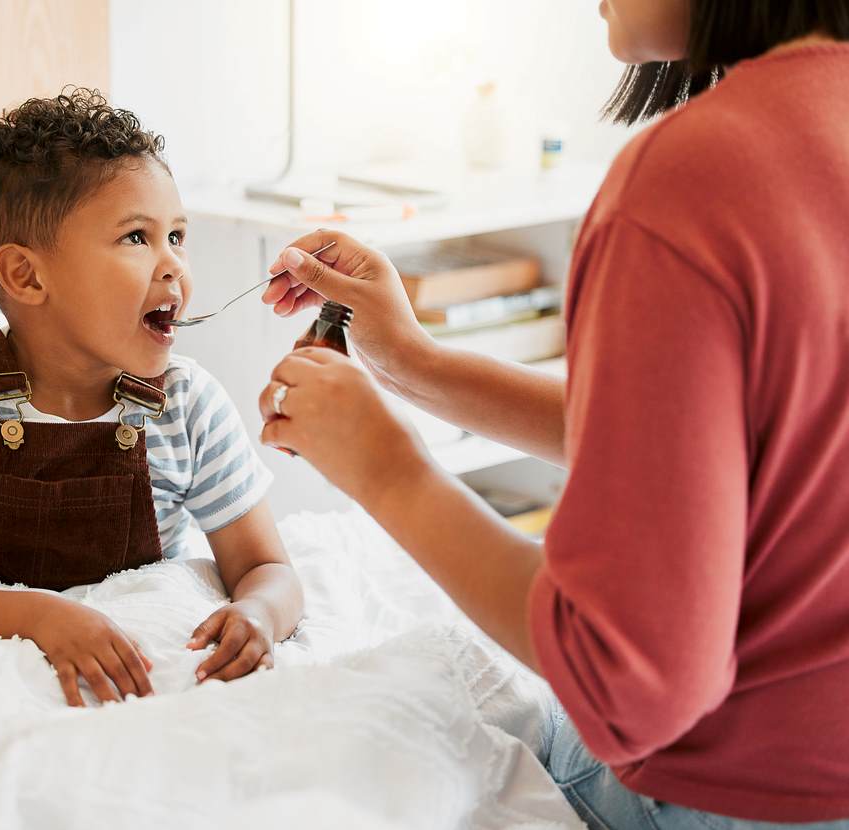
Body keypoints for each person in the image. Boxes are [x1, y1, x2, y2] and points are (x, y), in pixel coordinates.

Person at [257, 1, 849, 826]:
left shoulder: (693, 175)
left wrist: (385, 469)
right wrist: (416, 366)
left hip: (740, 795)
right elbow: (739, 434)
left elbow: (626, 684)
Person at [0, 89, 303, 707]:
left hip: (154, 683)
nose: (174, 265)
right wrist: (44, 619)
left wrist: (260, 614)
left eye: (177, 235)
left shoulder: (189, 402)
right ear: (27, 276)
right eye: (136, 238)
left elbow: (270, 569)